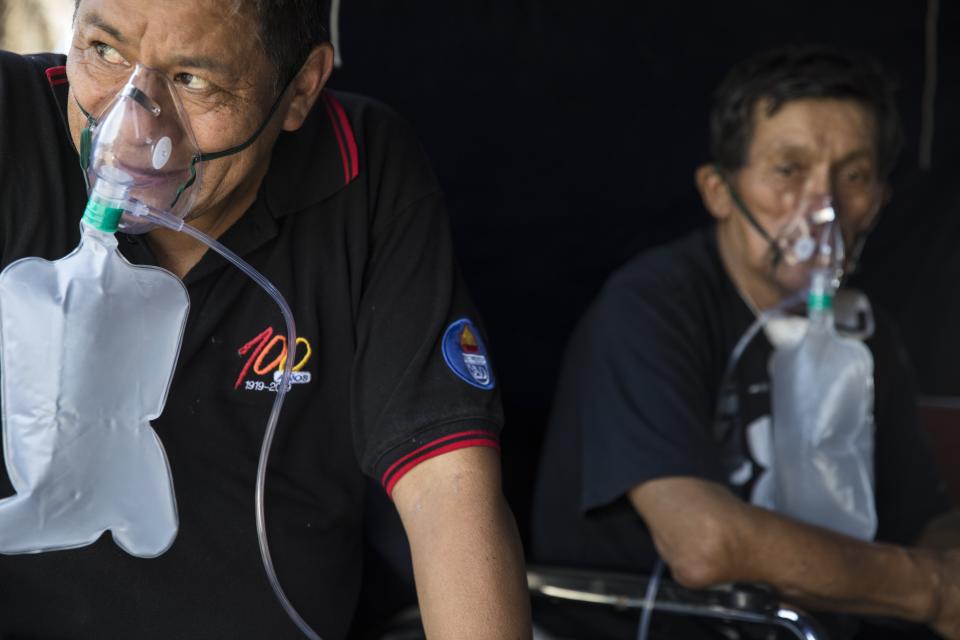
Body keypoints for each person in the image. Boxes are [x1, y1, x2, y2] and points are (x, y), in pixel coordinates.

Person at [0, 0, 531, 638]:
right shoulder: (12, 125)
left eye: (194, 80)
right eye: (104, 51)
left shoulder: (360, 171)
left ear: (301, 88)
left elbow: (447, 488)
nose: (132, 127)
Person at [532, 45, 960, 639]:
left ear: (880, 202)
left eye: (854, 176)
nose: (823, 208)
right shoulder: (653, 307)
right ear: (718, 191)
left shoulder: (865, 334)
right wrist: (931, 590)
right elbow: (702, 544)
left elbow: (921, 521)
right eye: (789, 170)